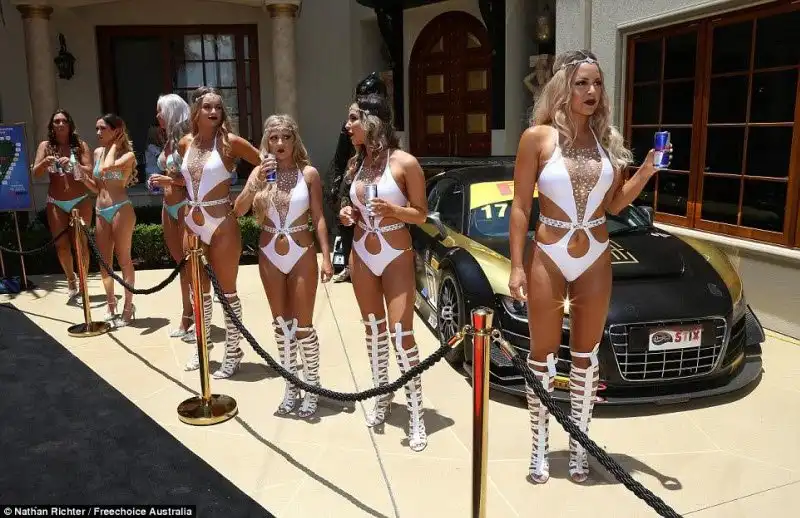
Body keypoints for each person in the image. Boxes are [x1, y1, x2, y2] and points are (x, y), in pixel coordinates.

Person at [507, 50, 671, 483]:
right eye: (582, 83)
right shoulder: (537, 138)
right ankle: (539, 448)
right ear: (563, 87)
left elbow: (614, 205)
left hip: (596, 253)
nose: (591, 91)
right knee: (542, 356)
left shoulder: (607, 143)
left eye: (597, 83)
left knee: (585, 358)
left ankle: (579, 448)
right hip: (549, 252)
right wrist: (517, 266)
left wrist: (646, 170)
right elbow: (520, 207)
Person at [338, 93, 429, 452]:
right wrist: (348, 213)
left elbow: (421, 214)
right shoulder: (356, 163)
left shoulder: (405, 163)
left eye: (353, 119)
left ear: (371, 120)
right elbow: (352, 204)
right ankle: (382, 395)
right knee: (373, 330)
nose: (347, 126)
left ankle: (417, 413)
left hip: (395, 252)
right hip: (362, 251)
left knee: (401, 334)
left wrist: (394, 210)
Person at [235, 114, 333, 417]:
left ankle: (312, 386)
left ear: (295, 140)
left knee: (303, 326)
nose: (280, 143)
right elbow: (238, 210)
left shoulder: (309, 174)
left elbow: (318, 216)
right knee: (281, 325)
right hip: (269, 253)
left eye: (286, 137)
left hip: (301, 251)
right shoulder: (260, 173)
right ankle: (291, 387)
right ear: (267, 141)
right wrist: (255, 183)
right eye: (274, 137)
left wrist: (326, 256)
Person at [178, 86, 262, 379]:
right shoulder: (185, 143)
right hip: (192, 223)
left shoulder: (230, 142)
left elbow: (265, 163)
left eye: (218, 107)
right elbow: (189, 180)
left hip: (222, 222)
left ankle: (234, 350)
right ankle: (202, 347)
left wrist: (249, 193)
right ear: (196, 112)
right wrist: (169, 182)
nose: (214, 111)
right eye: (207, 107)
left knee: (227, 292)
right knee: (198, 291)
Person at [328, 72, 389, 283]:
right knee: (348, 220)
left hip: (381, 178)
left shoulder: (386, 121)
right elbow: (339, 158)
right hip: (354, 174)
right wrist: (337, 185)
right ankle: (347, 263)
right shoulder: (350, 126)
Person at [31, 109, 93, 302]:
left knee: (81, 244)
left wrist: (74, 165)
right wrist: (45, 162)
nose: (60, 124)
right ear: (52, 126)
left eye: (63, 121)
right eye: (56, 121)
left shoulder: (80, 145)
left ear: (69, 124)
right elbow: (36, 173)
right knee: (61, 246)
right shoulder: (46, 146)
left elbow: (90, 170)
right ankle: (71, 279)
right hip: (56, 201)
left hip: (80, 199)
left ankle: (83, 283)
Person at [147, 94, 195, 340]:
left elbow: (195, 178)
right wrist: (158, 181)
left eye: (160, 111)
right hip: (168, 206)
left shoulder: (189, 138)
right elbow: (170, 172)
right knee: (180, 265)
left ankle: (197, 318)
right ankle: (187, 316)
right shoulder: (167, 140)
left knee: (192, 264)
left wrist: (168, 180)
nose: (157, 116)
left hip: (186, 205)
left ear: (172, 111)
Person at [83, 113, 138, 325]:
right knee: (104, 261)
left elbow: (107, 168)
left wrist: (115, 145)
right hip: (101, 209)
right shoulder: (98, 152)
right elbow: (97, 187)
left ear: (116, 131)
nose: (98, 132)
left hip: (120, 208)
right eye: (96, 128)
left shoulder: (128, 155)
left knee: (123, 259)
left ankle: (128, 306)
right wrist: (83, 177)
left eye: (103, 128)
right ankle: (110, 303)